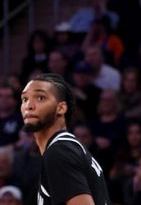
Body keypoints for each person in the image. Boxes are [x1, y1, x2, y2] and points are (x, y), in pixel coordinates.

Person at [20, 73, 111, 205]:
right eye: (24, 99)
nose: (29, 105)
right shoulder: (68, 147)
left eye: (40, 97)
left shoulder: (59, 152)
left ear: (61, 108)